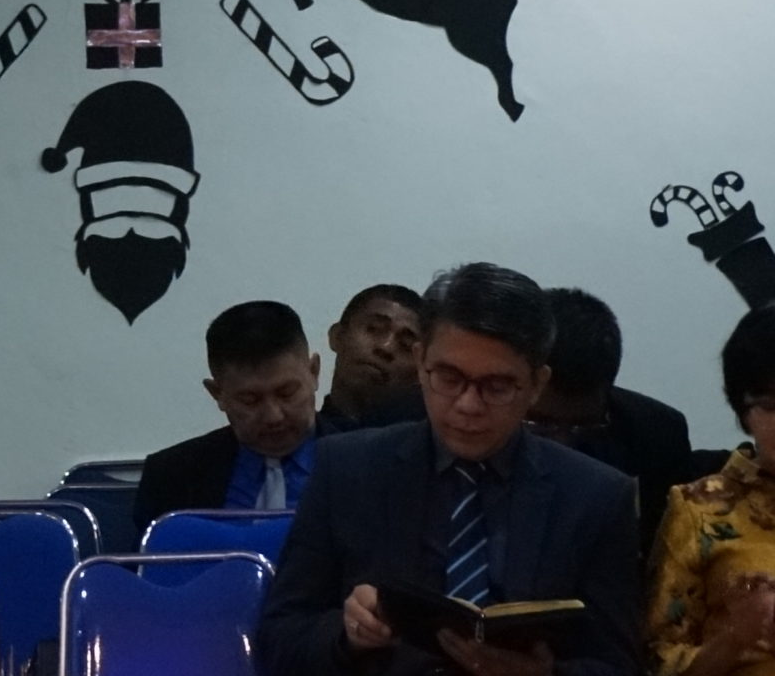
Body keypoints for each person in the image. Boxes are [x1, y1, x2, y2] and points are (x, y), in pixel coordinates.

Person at [256, 263, 640, 676]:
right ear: (420, 363)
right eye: (449, 377)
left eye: (497, 386)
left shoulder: (597, 497)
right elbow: (278, 638)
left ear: (536, 385)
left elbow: (619, 665)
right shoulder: (347, 467)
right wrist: (346, 634)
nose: (468, 405)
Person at [645, 304, 775, 676]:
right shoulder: (699, 509)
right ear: (743, 411)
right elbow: (657, 660)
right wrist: (735, 639)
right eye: (771, 404)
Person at [528, 287, 696, 554]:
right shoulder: (477, 422)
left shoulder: (657, 435)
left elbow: (661, 554)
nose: (562, 444)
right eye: (540, 425)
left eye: (582, 427)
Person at [136, 300, 324, 532]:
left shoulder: (361, 463)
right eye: (250, 400)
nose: (273, 416)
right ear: (217, 393)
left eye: (287, 393)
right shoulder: (171, 475)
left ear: (314, 372)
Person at [323, 283, 426, 434]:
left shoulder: (429, 445)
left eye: (405, 345)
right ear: (337, 336)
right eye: (374, 329)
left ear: (419, 371)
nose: (386, 347)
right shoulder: (292, 438)